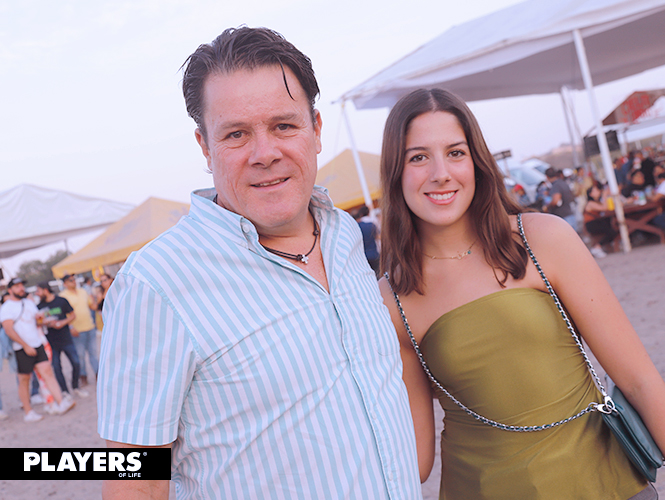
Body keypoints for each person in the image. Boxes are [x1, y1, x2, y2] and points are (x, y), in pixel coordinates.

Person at [98, 27, 421, 500]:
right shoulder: (156, 284)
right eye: (236, 134)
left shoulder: (344, 235)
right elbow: (136, 483)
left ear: (316, 129)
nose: (265, 154)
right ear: (205, 147)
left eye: (284, 126)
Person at [377, 88, 665, 499]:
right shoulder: (390, 300)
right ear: (395, 171)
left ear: (476, 162)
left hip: (608, 483)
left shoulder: (542, 239)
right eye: (418, 157)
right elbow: (417, 461)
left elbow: (640, 381)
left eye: (455, 153)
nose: (441, 173)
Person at [0, 278, 76, 422]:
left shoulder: (29, 303)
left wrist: (42, 320)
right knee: (24, 380)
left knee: (48, 372)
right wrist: (25, 345)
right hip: (21, 348)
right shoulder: (7, 308)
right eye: (17, 286)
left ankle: (60, 402)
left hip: (37, 343)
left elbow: (36, 322)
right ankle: (28, 412)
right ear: (10, 290)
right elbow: (9, 330)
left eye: (22, 285)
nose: (21, 288)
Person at [35, 282, 87, 399]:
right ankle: (65, 391)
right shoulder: (39, 306)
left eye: (38, 291)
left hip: (66, 338)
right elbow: (38, 322)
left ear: (45, 290)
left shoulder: (61, 301)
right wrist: (46, 323)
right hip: (51, 342)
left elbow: (73, 315)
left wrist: (62, 323)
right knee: (57, 368)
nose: (37, 294)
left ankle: (75, 387)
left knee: (76, 363)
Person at [59, 274, 98, 387]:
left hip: (89, 327)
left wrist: (98, 298)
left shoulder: (83, 292)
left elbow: (92, 306)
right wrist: (71, 327)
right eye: (70, 280)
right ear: (65, 284)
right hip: (77, 330)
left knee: (93, 353)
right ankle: (83, 376)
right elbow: (63, 315)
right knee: (80, 355)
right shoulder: (63, 296)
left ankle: (98, 374)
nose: (73, 281)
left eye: (74, 279)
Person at [583, 185, 618, 258]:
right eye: (595, 191)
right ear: (590, 194)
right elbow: (604, 208)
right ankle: (597, 247)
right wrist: (605, 195)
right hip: (591, 224)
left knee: (611, 224)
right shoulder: (590, 203)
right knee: (612, 231)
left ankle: (608, 245)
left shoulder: (597, 202)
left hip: (596, 222)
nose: (598, 192)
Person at [353, 204, 381, 277]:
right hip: (374, 254)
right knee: (379, 274)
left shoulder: (356, 227)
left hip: (364, 257)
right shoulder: (372, 224)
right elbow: (377, 237)